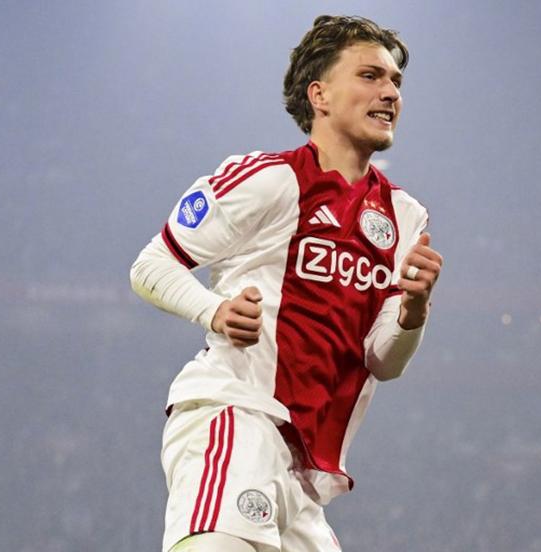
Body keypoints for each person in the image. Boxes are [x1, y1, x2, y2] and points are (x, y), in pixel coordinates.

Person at [130, 14, 443, 552]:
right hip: (237, 415)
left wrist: (415, 311)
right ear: (319, 94)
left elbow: (384, 361)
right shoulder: (269, 179)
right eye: (370, 76)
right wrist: (214, 310)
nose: (390, 92)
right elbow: (151, 265)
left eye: (396, 82)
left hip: (305, 473)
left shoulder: (405, 216)